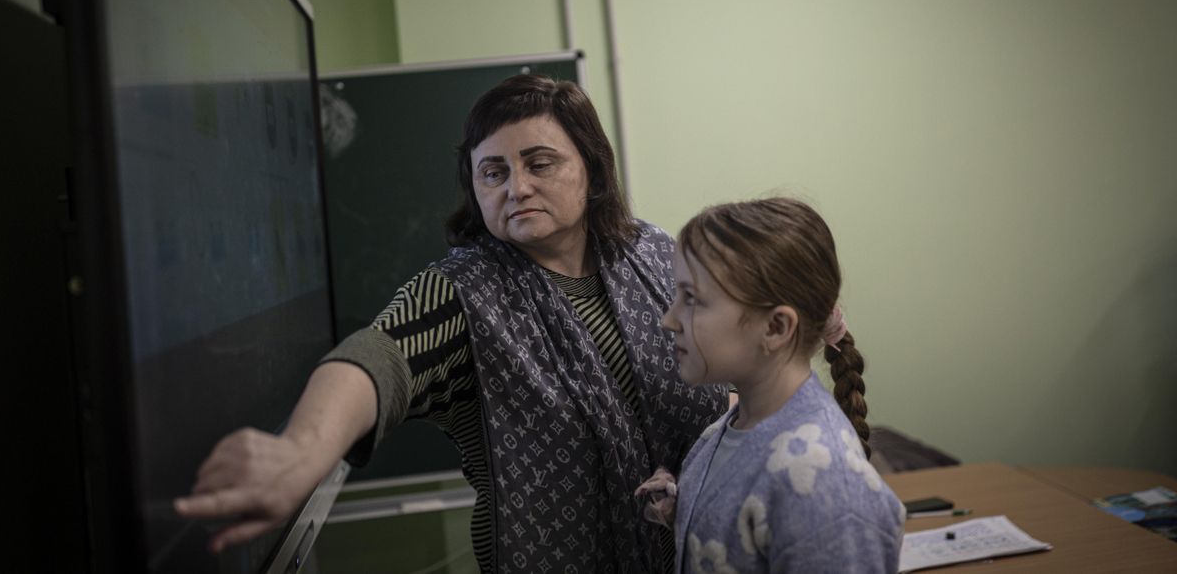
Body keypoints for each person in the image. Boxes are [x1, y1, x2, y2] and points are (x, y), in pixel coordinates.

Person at [175, 74, 728, 573]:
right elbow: (379, 359)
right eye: (493, 172)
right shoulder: (463, 292)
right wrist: (301, 449)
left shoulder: (655, 254)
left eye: (540, 163)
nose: (516, 187)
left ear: (592, 167)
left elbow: (727, 372)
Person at [635, 197, 904, 573]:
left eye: (692, 299)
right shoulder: (723, 431)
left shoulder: (829, 488)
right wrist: (685, 510)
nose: (669, 319)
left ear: (775, 328)